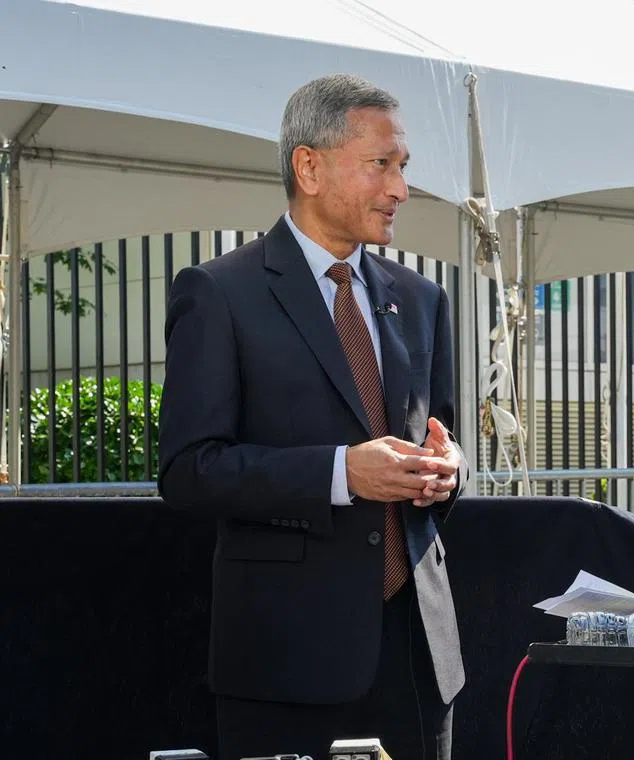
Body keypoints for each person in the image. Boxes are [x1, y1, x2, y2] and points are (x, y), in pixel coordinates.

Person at [158, 74, 467, 760]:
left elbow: (440, 439)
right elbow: (188, 471)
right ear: (309, 166)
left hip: (419, 658)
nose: (400, 190)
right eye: (380, 165)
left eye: (403, 167)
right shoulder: (218, 294)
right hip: (287, 665)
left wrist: (448, 469)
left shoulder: (422, 300)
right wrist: (341, 473)